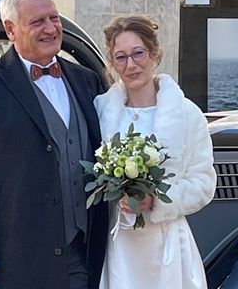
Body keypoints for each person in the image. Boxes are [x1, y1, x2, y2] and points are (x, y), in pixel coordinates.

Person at [0, 0, 108, 289]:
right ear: (10, 30)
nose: (50, 28)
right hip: (17, 258)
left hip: (82, 251)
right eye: (37, 21)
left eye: (54, 18)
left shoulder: (86, 80)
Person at [95, 15, 217, 289]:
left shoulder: (187, 115)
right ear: (113, 63)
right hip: (116, 247)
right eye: (121, 57)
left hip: (167, 248)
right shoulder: (100, 112)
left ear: (153, 53)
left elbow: (203, 184)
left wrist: (158, 202)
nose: (131, 64)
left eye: (138, 53)